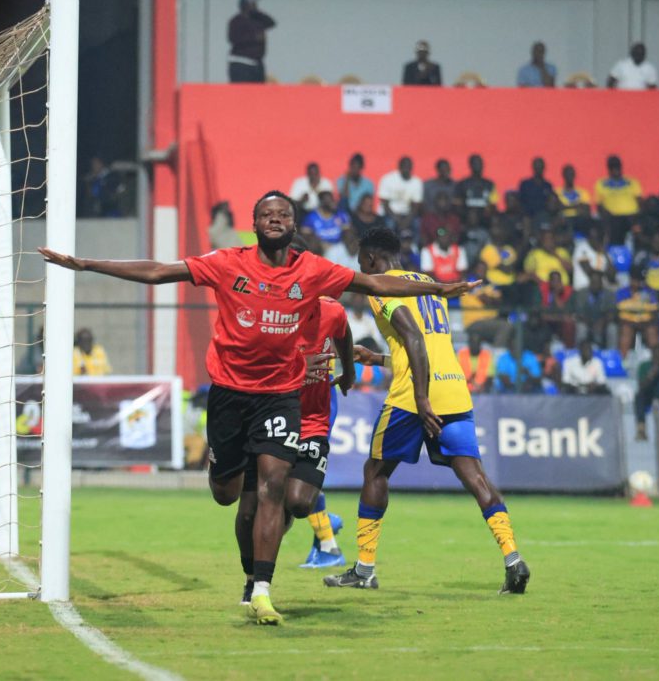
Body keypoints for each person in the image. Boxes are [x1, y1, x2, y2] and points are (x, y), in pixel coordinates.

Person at [38, 191, 477, 625]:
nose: (275, 218)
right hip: (230, 393)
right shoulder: (229, 262)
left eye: (283, 213)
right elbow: (158, 271)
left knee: (273, 488)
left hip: (280, 395)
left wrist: (438, 288)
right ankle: (223, 472)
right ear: (255, 223)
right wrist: (86, 264)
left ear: (293, 224)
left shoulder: (313, 271)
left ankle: (261, 589)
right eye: (266, 213)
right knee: (228, 495)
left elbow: (376, 283)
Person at [323, 227, 529, 594]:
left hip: (414, 396)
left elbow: (415, 338)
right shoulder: (428, 284)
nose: (360, 267)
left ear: (370, 258)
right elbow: (424, 346)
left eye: (360, 261)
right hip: (453, 389)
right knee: (476, 477)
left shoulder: (380, 284)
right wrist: (380, 359)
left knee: (375, 471)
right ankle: (513, 559)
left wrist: (420, 398)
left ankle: (365, 569)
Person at [236, 295, 355, 602]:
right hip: (269, 416)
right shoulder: (269, 315)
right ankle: (253, 580)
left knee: (299, 503)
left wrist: (350, 369)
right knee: (248, 512)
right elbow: (251, 365)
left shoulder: (331, 311)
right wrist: (298, 367)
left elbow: (343, 334)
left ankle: (303, 525)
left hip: (312, 420)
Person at [595, 155, 643, 246]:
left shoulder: (632, 182)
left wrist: (639, 214)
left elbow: (640, 200)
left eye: (617, 166)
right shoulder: (601, 184)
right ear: (608, 168)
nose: (615, 169)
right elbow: (599, 205)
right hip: (613, 218)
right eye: (612, 167)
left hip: (632, 216)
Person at [227, 0, 275, 83]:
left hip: (257, 64)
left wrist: (257, 12)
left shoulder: (258, 19)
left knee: (258, 94)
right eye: (252, 4)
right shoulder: (236, 21)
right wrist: (254, 37)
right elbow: (232, 39)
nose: (255, 5)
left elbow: (271, 22)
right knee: (242, 94)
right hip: (241, 64)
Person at [616, 270, 659, 359]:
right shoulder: (622, 292)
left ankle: (656, 360)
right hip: (628, 322)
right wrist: (641, 307)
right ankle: (622, 361)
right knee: (626, 332)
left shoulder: (649, 291)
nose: (638, 283)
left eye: (640, 280)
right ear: (631, 280)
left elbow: (654, 309)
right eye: (636, 280)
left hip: (646, 322)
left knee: (652, 332)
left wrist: (634, 308)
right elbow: (619, 309)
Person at [568, 272, 616, 348]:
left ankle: (611, 354)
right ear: (590, 282)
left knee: (612, 328)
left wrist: (602, 322)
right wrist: (591, 324)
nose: (595, 285)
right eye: (593, 282)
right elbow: (579, 313)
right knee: (581, 328)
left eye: (598, 282)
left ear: (601, 283)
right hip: (586, 322)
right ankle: (579, 352)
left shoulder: (609, 294)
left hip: (603, 323)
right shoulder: (581, 294)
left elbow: (611, 313)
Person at [454, 154, 499, 228]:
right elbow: (457, 204)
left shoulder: (490, 184)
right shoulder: (462, 184)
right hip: (467, 221)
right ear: (470, 165)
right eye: (476, 163)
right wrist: (468, 215)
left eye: (480, 163)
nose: (479, 166)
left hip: (486, 221)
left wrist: (488, 211)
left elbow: (494, 203)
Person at [377, 156, 423, 226]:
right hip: (389, 214)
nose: (406, 169)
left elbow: (416, 206)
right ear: (399, 166)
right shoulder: (387, 179)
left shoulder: (416, 182)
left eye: (408, 166)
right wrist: (397, 220)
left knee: (417, 223)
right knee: (390, 224)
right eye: (404, 166)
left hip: (407, 215)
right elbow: (385, 204)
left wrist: (406, 221)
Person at [572, 223, 616, 292]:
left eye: (597, 237)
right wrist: (604, 274)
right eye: (592, 237)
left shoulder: (605, 254)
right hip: (583, 290)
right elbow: (589, 271)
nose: (594, 240)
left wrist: (605, 254)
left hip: (601, 292)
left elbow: (612, 275)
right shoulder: (582, 248)